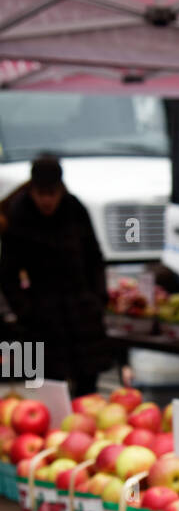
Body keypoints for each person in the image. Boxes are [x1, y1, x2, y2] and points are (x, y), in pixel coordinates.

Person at [0, 154, 112, 393]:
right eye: (41, 194)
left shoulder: (75, 209)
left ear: (60, 190)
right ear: (32, 191)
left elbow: (94, 258)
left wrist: (98, 298)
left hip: (81, 311)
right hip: (41, 315)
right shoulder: (19, 215)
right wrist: (24, 310)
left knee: (87, 387)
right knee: (45, 388)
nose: (47, 201)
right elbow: (7, 273)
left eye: (52, 194)